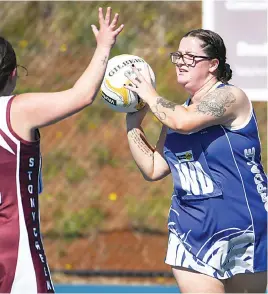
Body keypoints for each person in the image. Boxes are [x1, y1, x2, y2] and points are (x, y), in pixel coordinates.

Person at [124, 29, 267, 293]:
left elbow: (184, 122)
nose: (180, 62)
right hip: (190, 228)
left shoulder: (231, 98)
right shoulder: (179, 111)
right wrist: (133, 125)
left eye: (190, 57)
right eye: (178, 55)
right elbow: (154, 168)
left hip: (241, 225)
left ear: (213, 64)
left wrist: (150, 93)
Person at [0, 7, 123, 294]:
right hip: (14, 255)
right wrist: (105, 46)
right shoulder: (15, 111)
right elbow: (82, 96)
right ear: (13, 74)